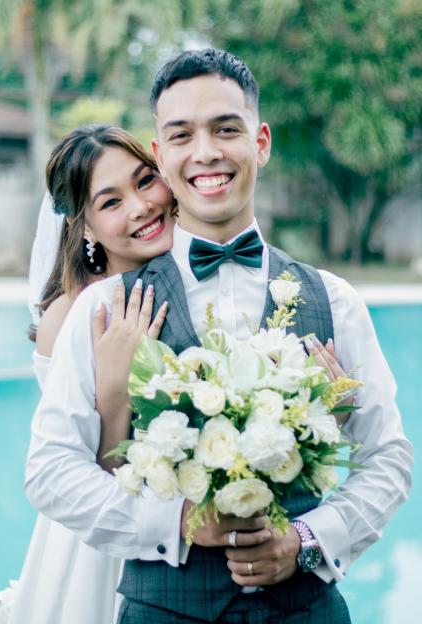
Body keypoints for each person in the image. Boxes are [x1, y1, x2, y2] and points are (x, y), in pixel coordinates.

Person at [24, 49, 413, 624]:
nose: (205, 152)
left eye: (225, 129)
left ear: (260, 142)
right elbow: (51, 470)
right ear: (162, 154)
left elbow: (389, 458)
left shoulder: (335, 300)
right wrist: (177, 521)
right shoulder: (105, 310)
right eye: (182, 135)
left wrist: (306, 539)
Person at [0, 124, 175, 624]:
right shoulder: (73, 315)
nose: (140, 207)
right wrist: (114, 395)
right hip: (105, 534)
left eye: (146, 180)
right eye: (111, 203)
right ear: (85, 226)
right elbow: (75, 468)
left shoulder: (190, 277)